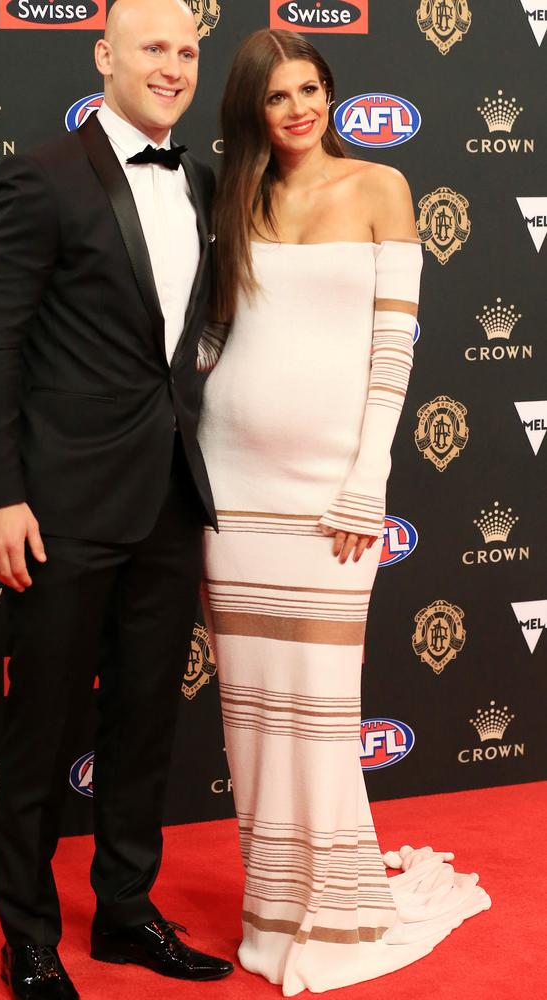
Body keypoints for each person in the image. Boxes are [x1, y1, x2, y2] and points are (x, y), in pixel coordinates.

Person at [197, 29, 491, 995]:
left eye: (311, 89)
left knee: (320, 712)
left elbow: (391, 355)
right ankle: (273, 908)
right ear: (253, 107)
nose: (298, 110)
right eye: (277, 96)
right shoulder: (234, 195)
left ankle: (336, 909)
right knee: (251, 712)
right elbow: (213, 339)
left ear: (333, 94)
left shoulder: (379, 188)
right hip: (230, 485)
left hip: (329, 492)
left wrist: (370, 474)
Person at [0, 1, 234, 996]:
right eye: (153, 47)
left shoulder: (200, 181)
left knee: (145, 722)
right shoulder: (39, 174)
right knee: (40, 731)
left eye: (187, 51)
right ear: (103, 55)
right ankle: (28, 935)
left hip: (166, 496)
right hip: (61, 505)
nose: (171, 66)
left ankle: (124, 912)